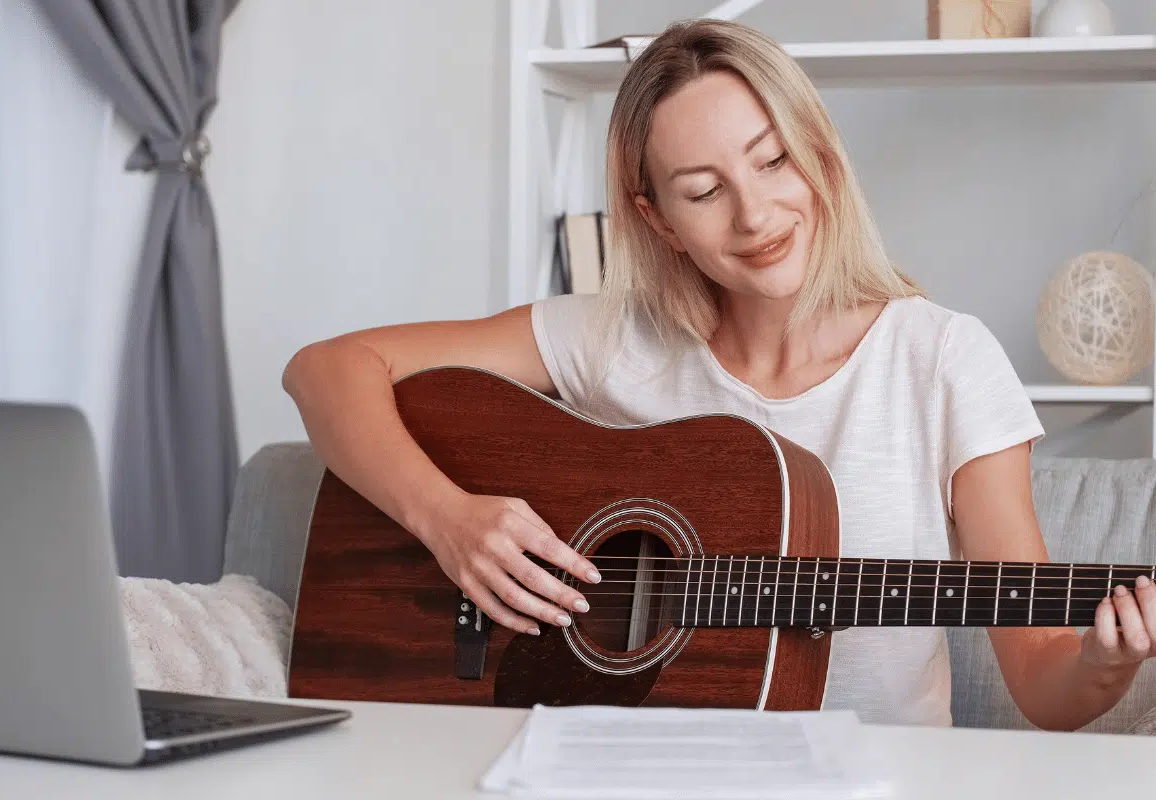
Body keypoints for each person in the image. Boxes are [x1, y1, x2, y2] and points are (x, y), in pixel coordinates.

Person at [282, 18, 1156, 730]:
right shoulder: (611, 338)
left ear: (819, 155)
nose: (755, 213)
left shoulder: (943, 360)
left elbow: (1043, 682)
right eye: (702, 190)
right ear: (657, 221)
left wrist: (1103, 663)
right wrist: (449, 520)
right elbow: (327, 368)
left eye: (772, 161)